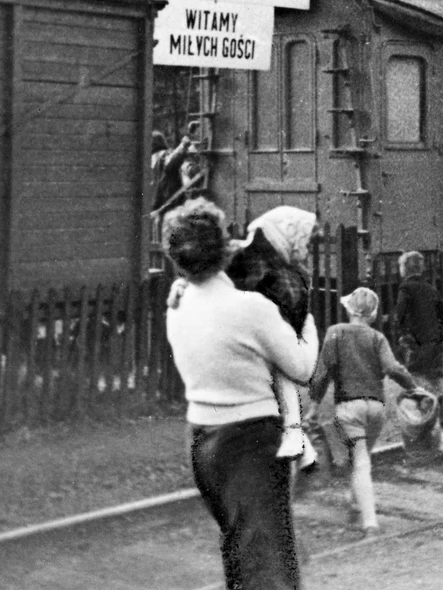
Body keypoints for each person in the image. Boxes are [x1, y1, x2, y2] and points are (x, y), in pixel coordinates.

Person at [163, 198, 318, 590]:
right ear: (223, 246)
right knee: (266, 563)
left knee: (239, 552)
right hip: (251, 439)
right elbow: (301, 366)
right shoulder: (251, 308)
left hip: (201, 441)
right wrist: (309, 324)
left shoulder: (177, 306)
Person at [306, 288, 417, 537]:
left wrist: (313, 408)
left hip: (349, 409)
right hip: (377, 408)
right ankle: (354, 503)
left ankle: (370, 523)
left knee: (360, 462)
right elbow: (392, 367)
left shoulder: (335, 333)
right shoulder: (377, 337)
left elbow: (322, 375)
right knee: (362, 459)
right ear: (374, 314)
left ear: (349, 309)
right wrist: (413, 386)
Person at [226, 206, 321, 463]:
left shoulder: (248, 255)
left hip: (242, 341)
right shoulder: (282, 272)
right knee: (282, 375)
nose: (306, 248)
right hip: (259, 341)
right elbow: (289, 310)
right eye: (305, 241)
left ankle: (294, 438)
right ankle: (293, 435)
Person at [393, 251, 443, 427]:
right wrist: (442, 336)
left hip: (417, 341)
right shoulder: (431, 288)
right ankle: (442, 413)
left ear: (404, 269)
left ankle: (425, 414)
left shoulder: (405, 288)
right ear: (421, 268)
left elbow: (401, 313)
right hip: (435, 341)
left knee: (416, 375)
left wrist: (403, 333)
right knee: (435, 376)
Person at [150, 128, 195, 215]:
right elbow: (170, 163)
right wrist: (183, 145)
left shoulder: (148, 161)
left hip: (155, 208)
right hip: (170, 206)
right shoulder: (162, 155)